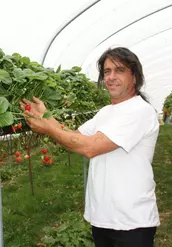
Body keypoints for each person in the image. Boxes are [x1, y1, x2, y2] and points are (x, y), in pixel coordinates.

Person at [20, 47, 159, 247]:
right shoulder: (105, 112)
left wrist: (47, 127)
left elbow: (89, 147)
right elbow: (75, 135)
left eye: (119, 70)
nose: (111, 77)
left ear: (135, 76)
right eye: (107, 71)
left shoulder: (139, 111)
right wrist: (46, 116)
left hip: (131, 222)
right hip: (102, 217)